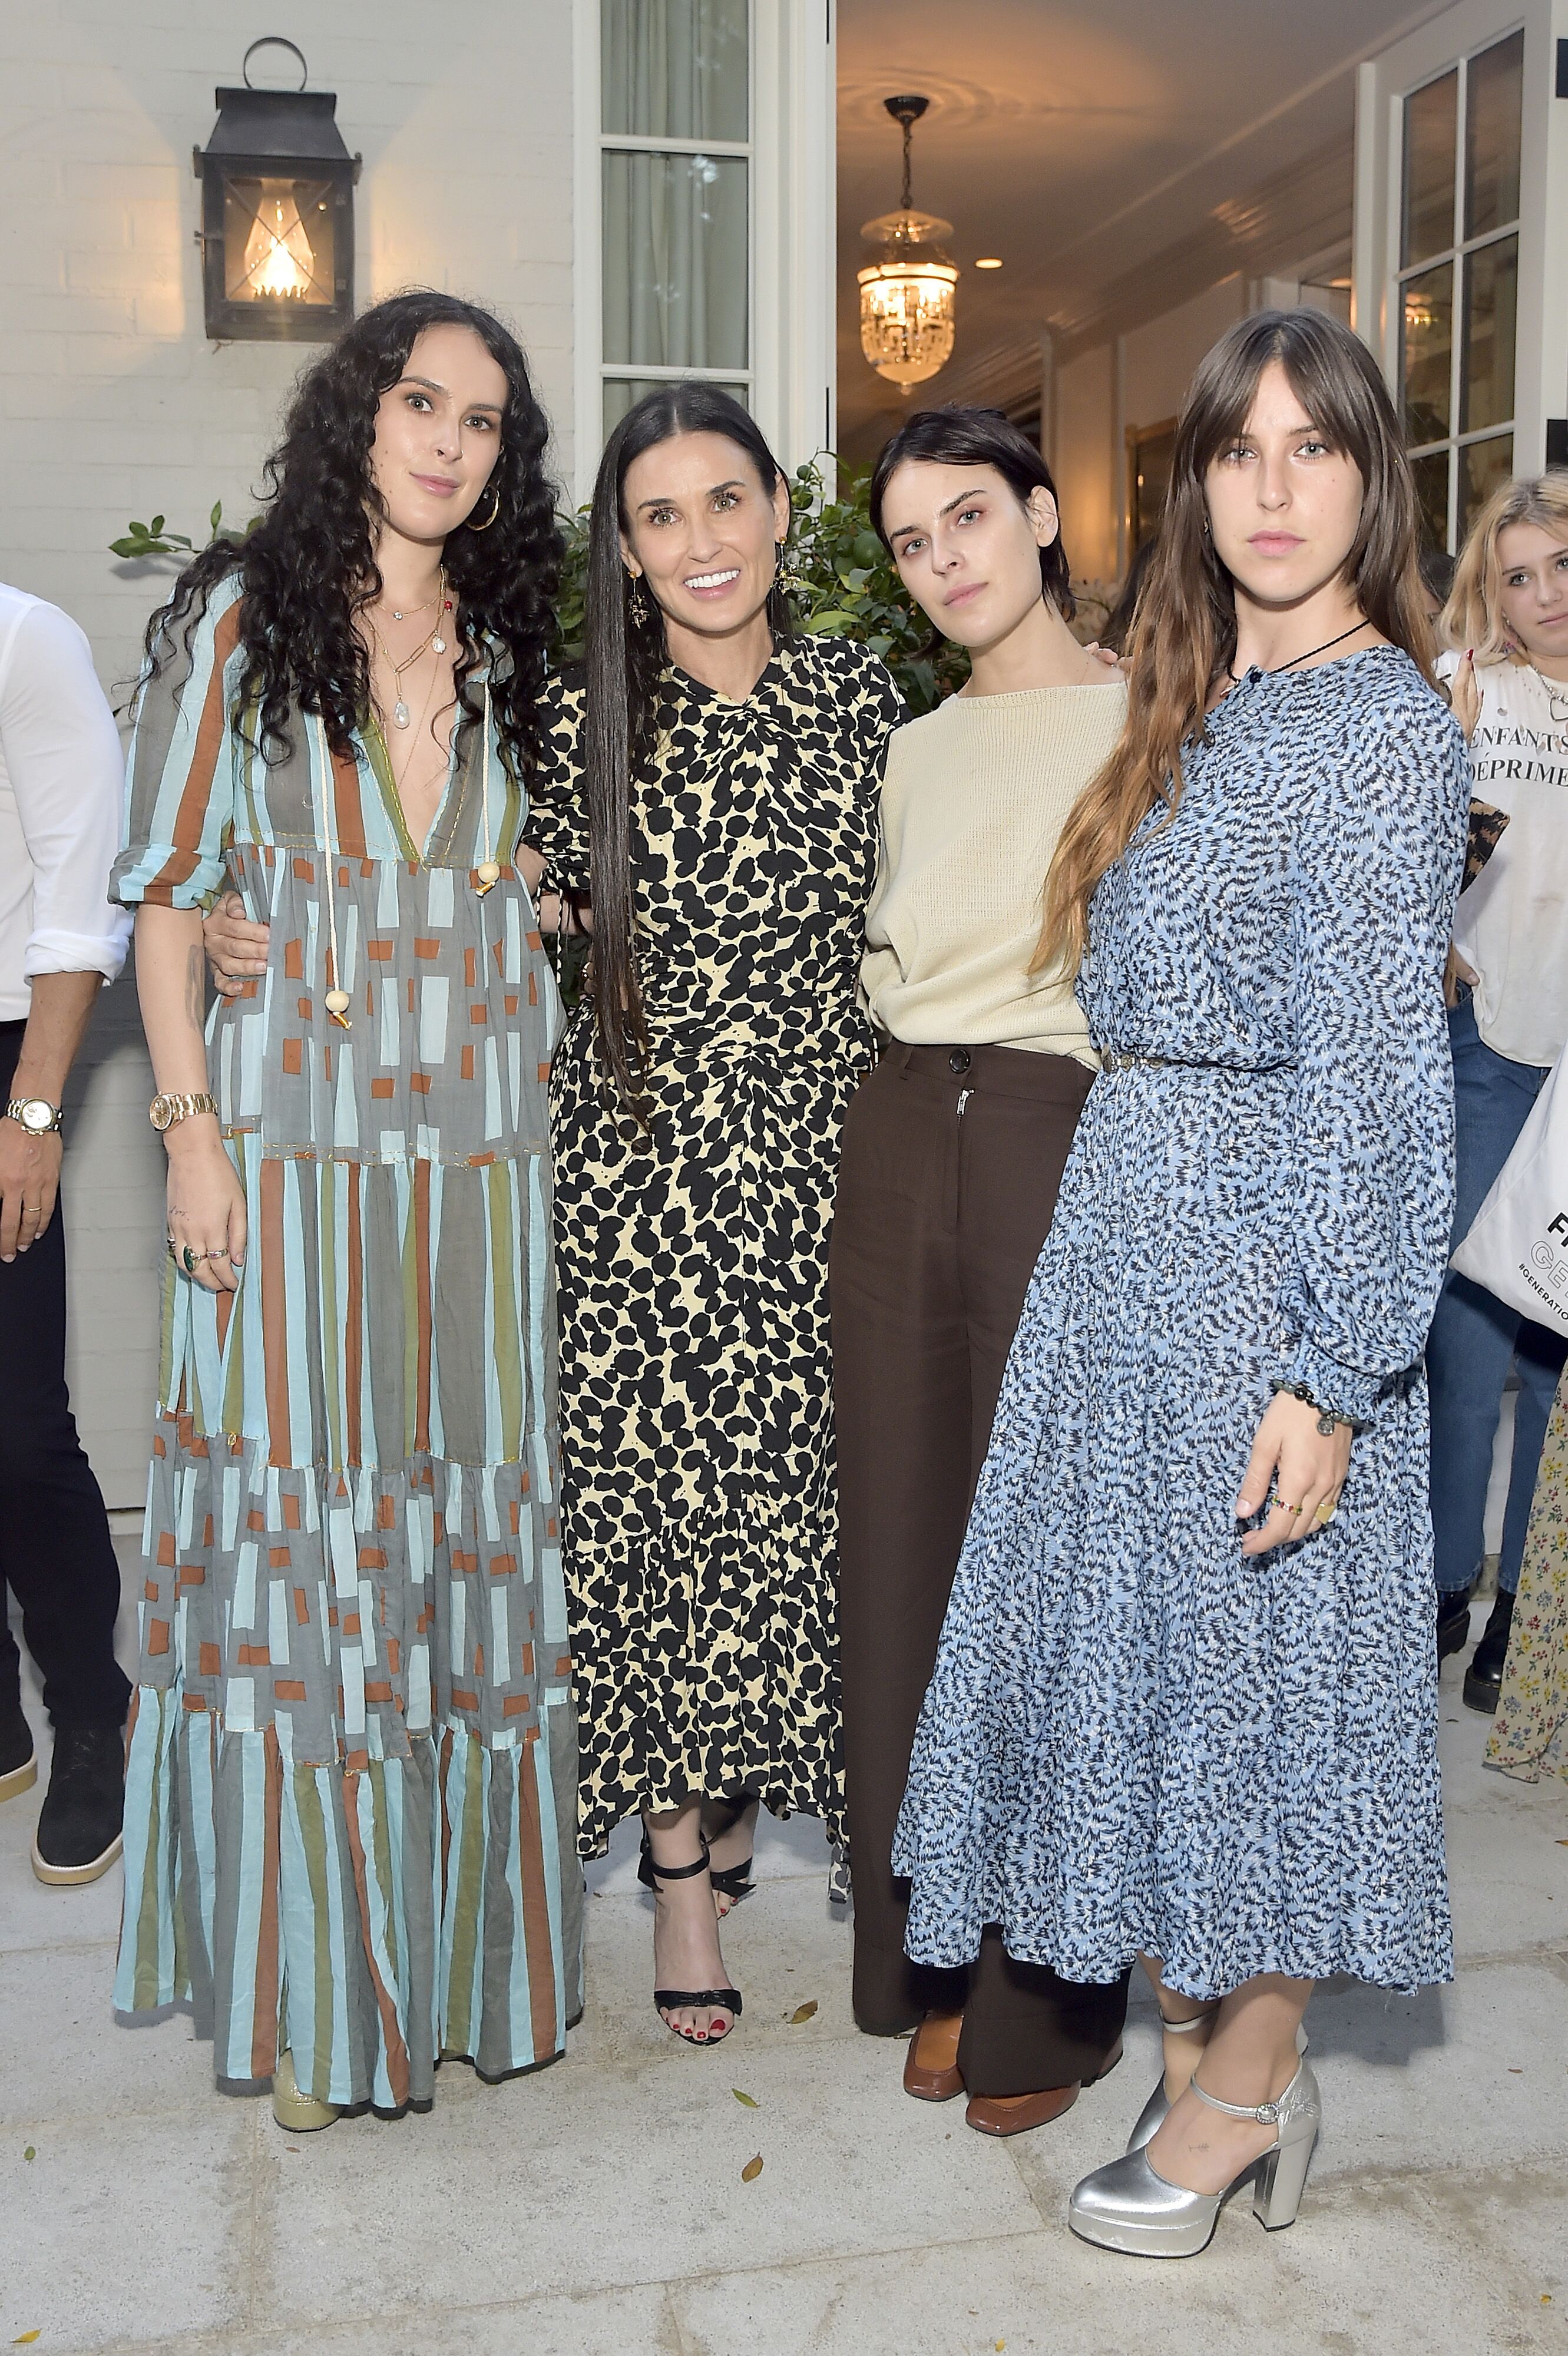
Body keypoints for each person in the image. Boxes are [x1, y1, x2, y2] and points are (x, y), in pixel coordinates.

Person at [893, 309, 1467, 2258]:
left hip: (1272, 1259)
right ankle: (1208, 2048)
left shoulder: (1390, 730)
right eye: (1244, 452)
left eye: (1319, 449)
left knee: (1271, 1699)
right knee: (1143, 1695)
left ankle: (1244, 2091)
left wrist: (1334, 1362)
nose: (1279, 488)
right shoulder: (1197, 692)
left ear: (1371, 483)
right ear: (1195, 483)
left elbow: (1389, 1075)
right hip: (1128, 1237)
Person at [110, 290, 582, 2130]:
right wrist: (190, 1134)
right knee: (312, 1567)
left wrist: (543, 900)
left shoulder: (517, 643)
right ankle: (316, 1997)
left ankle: (461, 1975)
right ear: (353, 418)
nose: (450, 441)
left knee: (454, 1569)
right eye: (419, 403)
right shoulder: (246, 622)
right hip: (291, 1169)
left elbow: (567, 874)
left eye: (482, 418)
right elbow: (165, 901)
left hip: (475, 1175)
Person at [524, 384, 903, 2047]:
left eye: (725, 502)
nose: (700, 544)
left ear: (776, 511)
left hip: (826, 1169)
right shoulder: (568, 718)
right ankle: (678, 1869)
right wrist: (252, 935)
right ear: (620, 547)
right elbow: (469, 902)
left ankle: (739, 1767)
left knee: (787, 1512)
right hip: (632, 1188)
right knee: (655, 1518)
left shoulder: (864, 702)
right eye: (659, 516)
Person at [831, 405, 1130, 2136]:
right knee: (904, 1554)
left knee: (1046, 1574)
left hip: (1054, 1128)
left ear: (1037, 514)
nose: (943, 559)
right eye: (910, 540)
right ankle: (925, 1964)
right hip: (895, 1127)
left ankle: (1038, 2003)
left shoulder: (1153, 714)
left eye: (968, 518)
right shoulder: (910, 745)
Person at [1428, 473, 1568, 1710]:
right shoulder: (1463, 681)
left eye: (1558, 566)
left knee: (1556, 1344)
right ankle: (1440, 1580)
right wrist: (1432, 934)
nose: (1539, 596)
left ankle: (1517, 1611)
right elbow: (1397, 835)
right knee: (1467, 1333)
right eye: (1516, 572)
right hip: (1483, 1047)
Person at [0, 583, 133, 1884]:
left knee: (18, 1424)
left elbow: (80, 890)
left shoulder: (25, 638)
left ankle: (91, 1701)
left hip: (6, 1058)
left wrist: (34, 1107)